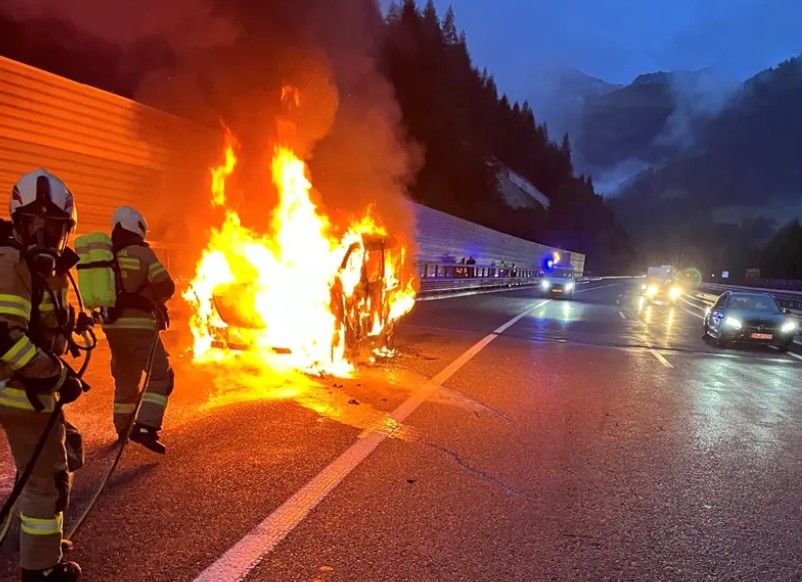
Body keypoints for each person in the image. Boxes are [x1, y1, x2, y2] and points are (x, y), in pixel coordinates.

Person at [0, 169, 85, 581]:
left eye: (51, 230)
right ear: (17, 224)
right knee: (45, 479)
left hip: (26, 389)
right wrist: (57, 377)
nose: (41, 238)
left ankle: (42, 549)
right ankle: (41, 570)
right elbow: (6, 341)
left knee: (50, 466)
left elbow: (42, 319)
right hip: (19, 390)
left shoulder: (42, 270)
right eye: (32, 226)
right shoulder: (12, 262)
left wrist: (74, 326)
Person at [103, 206, 174, 454]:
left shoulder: (107, 258)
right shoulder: (143, 255)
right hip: (141, 328)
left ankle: (123, 428)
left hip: (113, 328)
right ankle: (145, 427)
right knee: (161, 376)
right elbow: (166, 286)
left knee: (126, 378)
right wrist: (154, 300)